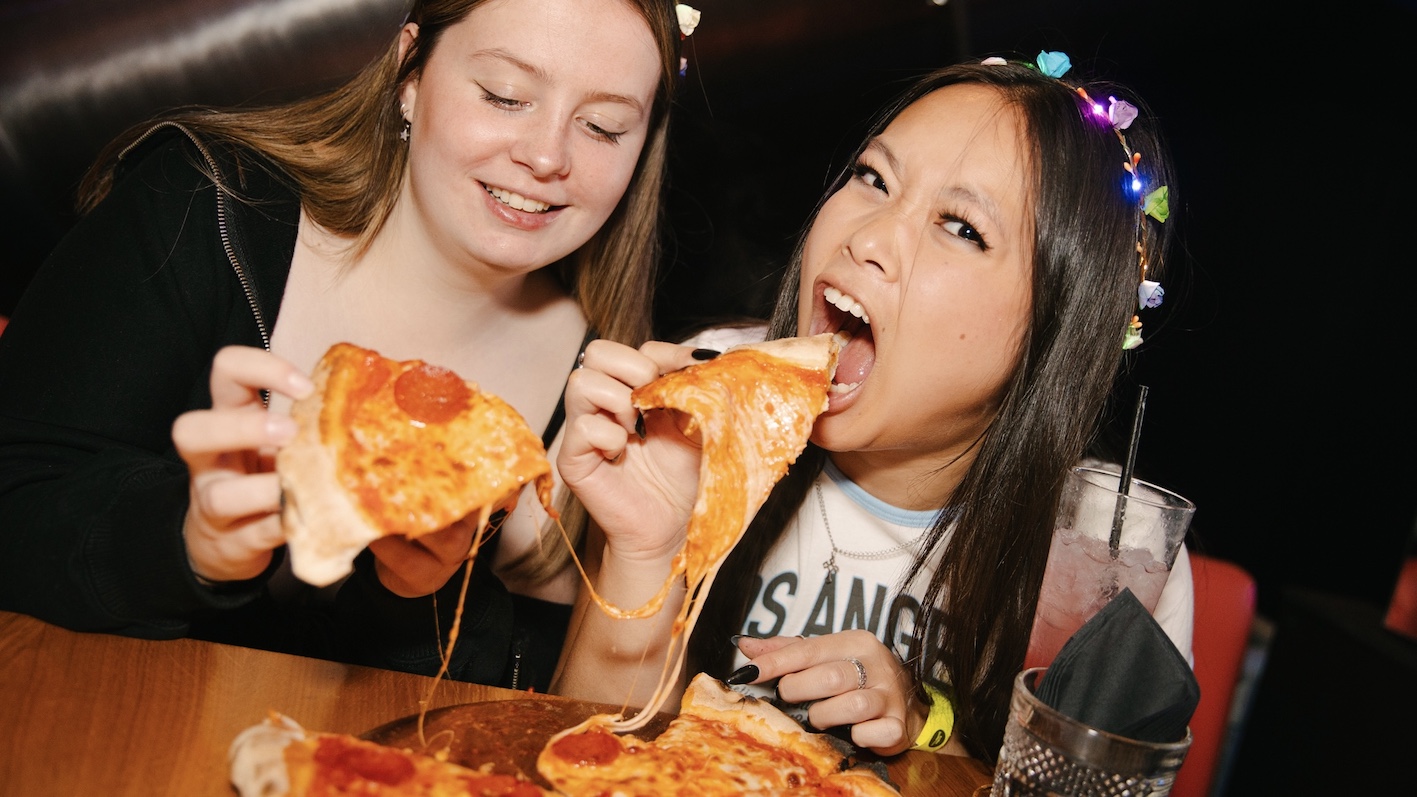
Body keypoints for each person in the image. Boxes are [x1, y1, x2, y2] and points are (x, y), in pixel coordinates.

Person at [0, 0, 693, 692]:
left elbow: (517, 723)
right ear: (409, 73)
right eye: (504, 96)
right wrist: (186, 539)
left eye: (603, 128)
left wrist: (422, 598)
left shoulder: (608, 412)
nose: (546, 156)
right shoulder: (199, 206)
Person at [550, 52, 1192, 763]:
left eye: (961, 226)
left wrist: (927, 725)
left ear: (1056, 333)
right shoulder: (703, 399)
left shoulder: (1109, 550)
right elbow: (576, 759)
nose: (868, 238)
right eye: (871, 177)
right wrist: (646, 550)